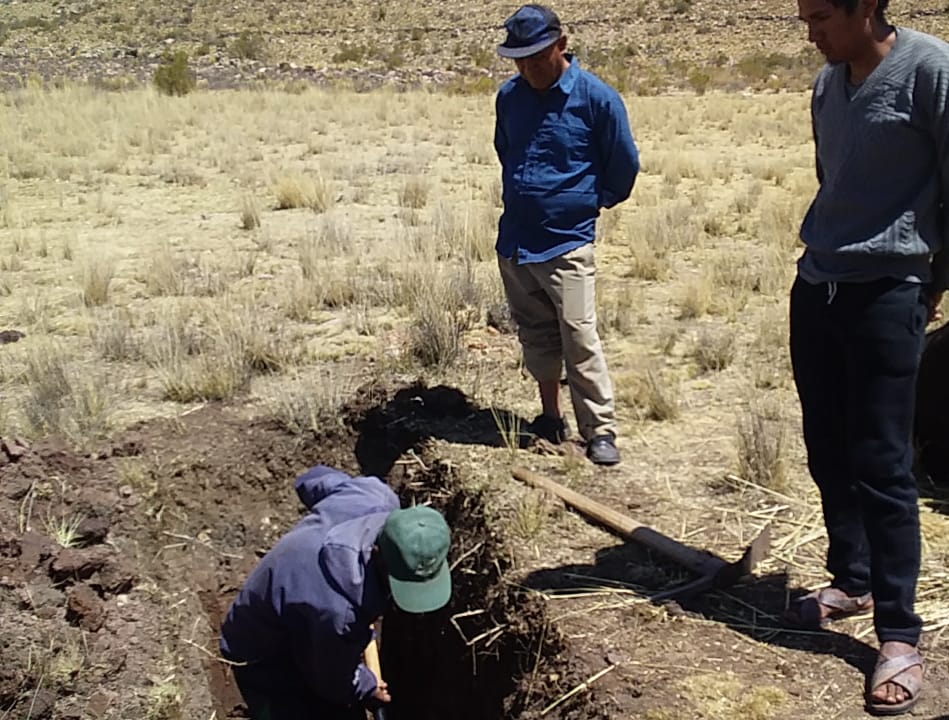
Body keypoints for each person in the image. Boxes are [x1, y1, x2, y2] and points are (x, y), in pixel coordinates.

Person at [787, 0, 949, 714]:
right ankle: (851, 578)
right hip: (818, 283)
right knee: (826, 444)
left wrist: (933, 279)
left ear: (866, 6)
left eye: (820, 15)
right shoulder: (827, 82)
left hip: (889, 290)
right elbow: (831, 175)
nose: (808, 30)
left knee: (881, 461)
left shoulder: (936, 74)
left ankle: (900, 636)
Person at [492, 3, 641, 466]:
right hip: (517, 238)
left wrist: (586, 203)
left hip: (567, 240)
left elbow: (624, 166)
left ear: (562, 44)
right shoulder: (509, 97)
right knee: (536, 333)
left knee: (578, 335)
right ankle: (549, 417)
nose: (528, 67)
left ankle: (599, 431)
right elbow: (506, 151)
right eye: (519, 58)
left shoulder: (597, 99)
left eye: (536, 56)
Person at [219, 465, 452, 719]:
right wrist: (367, 686)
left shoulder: (373, 496)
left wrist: (320, 524)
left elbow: (312, 480)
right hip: (258, 650)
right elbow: (331, 681)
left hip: (292, 606)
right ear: (377, 556)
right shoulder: (338, 614)